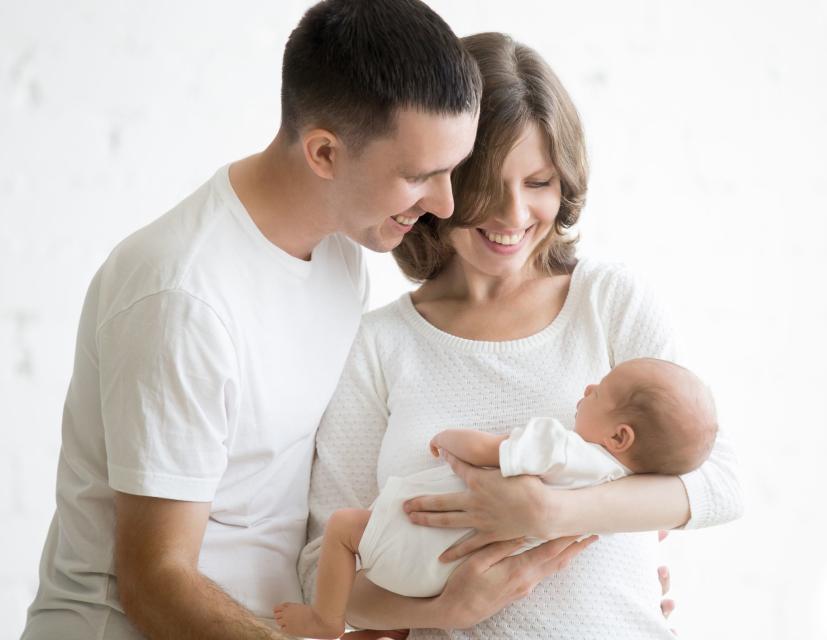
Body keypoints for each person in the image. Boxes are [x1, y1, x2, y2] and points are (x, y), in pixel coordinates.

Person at [19, 2, 503, 638]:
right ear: (324, 153)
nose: (443, 202)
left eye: (451, 169)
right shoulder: (184, 297)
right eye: (419, 175)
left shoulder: (340, 253)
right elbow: (155, 584)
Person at [300, 32, 744, 638]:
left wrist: (552, 511)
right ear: (438, 182)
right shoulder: (381, 345)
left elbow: (718, 483)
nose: (513, 216)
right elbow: (321, 565)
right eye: (486, 184)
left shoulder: (607, 302)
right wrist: (443, 612)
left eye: (538, 182)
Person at [276, 358, 717, 638]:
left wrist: (449, 440)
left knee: (343, 528)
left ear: (620, 435)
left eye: (598, 391)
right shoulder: (621, 491)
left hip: (420, 543)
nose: (586, 390)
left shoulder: (562, 446)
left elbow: (489, 449)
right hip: (450, 577)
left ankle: (324, 622)